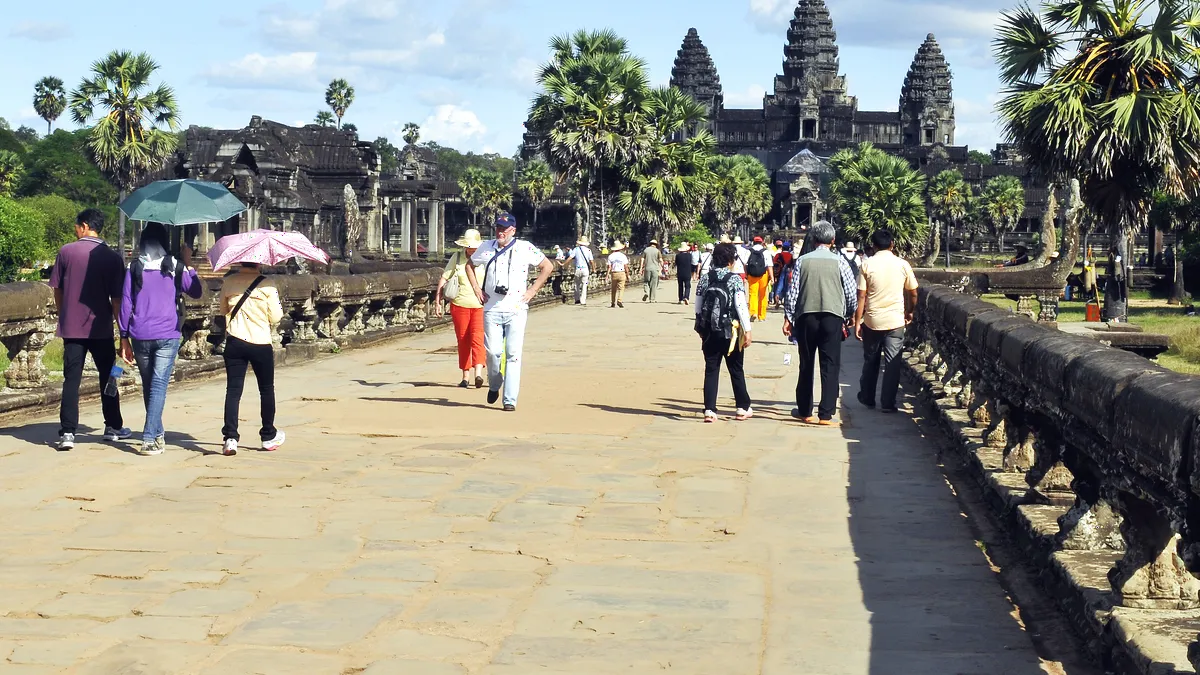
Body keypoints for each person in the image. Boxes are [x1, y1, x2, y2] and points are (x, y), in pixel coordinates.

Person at [117, 223, 203, 455]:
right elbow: (196, 291)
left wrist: (123, 337)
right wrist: (189, 263)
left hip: (140, 334)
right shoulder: (176, 266)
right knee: (157, 386)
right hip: (167, 333)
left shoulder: (134, 267)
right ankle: (149, 437)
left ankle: (157, 434)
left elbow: (126, 304)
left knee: (151, 385)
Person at [50, 208, 131, 451]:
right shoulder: (112, 258)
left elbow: (57, 289)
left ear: (84, 226)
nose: (75, 230)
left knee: (71, 379)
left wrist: (64, 311)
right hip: (101, 326)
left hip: (72, 327)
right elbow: (117, 299)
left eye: (77, 226)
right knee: (109, 377)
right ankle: (113, 426)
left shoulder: (66, 252)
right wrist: (122, 331)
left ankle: (67, 432)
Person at [465, 212, 555, 412]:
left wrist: (532, 290)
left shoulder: (524, 248)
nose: (500, 232)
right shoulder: (486, 247)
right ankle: (495, 383)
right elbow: (469, 265)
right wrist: (476, 289)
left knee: (513, 354)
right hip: (492, 309)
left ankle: (510, 400)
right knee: (493, 352)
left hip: (516, 309)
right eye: (498, 228)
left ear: (513, 231)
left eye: (504, 229)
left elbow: (547, 266)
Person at [783, 220, 858, 426]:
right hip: (832, 317)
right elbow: (851, 293)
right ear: (833, 241)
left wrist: (788, 317)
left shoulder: (803, 261)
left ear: (814, 240)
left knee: (806, 364)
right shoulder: (840, 261)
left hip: (806, 316)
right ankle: (825, 413)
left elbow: (793, 293)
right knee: (830, 364)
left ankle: (805, 410)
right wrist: (849, 314)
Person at [220, 261, 286, 455]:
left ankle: (230, 438)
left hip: (235, 340)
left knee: (233, 390)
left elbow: (223, 310)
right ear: (260, 263)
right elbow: (275, 317)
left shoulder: (229, 281)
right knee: (266, 390)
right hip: (260, 341)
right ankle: (268, 435)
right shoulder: (268, 284)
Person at [853, 230, 918, 414]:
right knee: (892, 362)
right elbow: (913, 293)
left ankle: (867, 397)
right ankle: (888, 403)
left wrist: (858, 321)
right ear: (892, 245)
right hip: (896, 319)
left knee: (871, 360)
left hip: (872, 319)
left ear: (873, 246)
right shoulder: (902, 264)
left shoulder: (867, 264)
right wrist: (910, 311)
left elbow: (861, 296)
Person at [694, 243, 753, 423]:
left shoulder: (705, 278)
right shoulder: (735, 279)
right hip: (731, 331)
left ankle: (710, 410)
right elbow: (740, 306)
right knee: (736, 368)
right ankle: (742, 408)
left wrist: (700, 327)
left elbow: (698, 305)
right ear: (730, 260)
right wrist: (748, 330)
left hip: (710, 330)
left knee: (711, 369)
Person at [436, 229, 485, 389]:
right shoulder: (457, 258)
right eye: (469, 247)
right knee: (463, 339)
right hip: (459, 305)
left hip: (480, 305)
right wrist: (438, 300)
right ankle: (465, 376)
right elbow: (445, 277)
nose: (471, 250)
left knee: (477, 339)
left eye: (473, 247)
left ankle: (478, 373)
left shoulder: (485, 259)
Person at [745, 236, 774, 322]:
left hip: (752, 274)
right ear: (762, 243)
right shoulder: (766, 252)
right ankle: (761, 316)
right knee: (763, 295)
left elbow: (745, 264)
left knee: (752, 294)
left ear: (753, 242)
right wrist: (772, 277)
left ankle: (753, 312)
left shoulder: (749, 251)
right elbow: (769, 265)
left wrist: (746, 274)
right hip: (763, 274)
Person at [565, 237, 595, 305]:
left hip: (578, 269)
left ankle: (577, 299)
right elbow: (591, 261)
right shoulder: (588, 250)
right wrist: (593, 268)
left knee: (577, 285)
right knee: (584, 285)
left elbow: (570, 258)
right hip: (585, 269)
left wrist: (564, 264)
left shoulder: (576, 249)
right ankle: (583, 300)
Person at [608, 241, 631, 308]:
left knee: (613, 289)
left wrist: (607, 276)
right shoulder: (623, 256)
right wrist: (628, 274)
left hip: (614, 273)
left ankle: (613, 302)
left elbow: (609, 267)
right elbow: (626, 266)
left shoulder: (610, 256)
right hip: (621, 273)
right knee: (621, 288)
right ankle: (619, 300)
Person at [772, 241, 795, 308]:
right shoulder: (791, 255)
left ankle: (777, 297)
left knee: (779, 285)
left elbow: (774, 264)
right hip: (789, 270)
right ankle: (785, 299)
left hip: (779, 272)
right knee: (787, 285)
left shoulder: (778, 255)